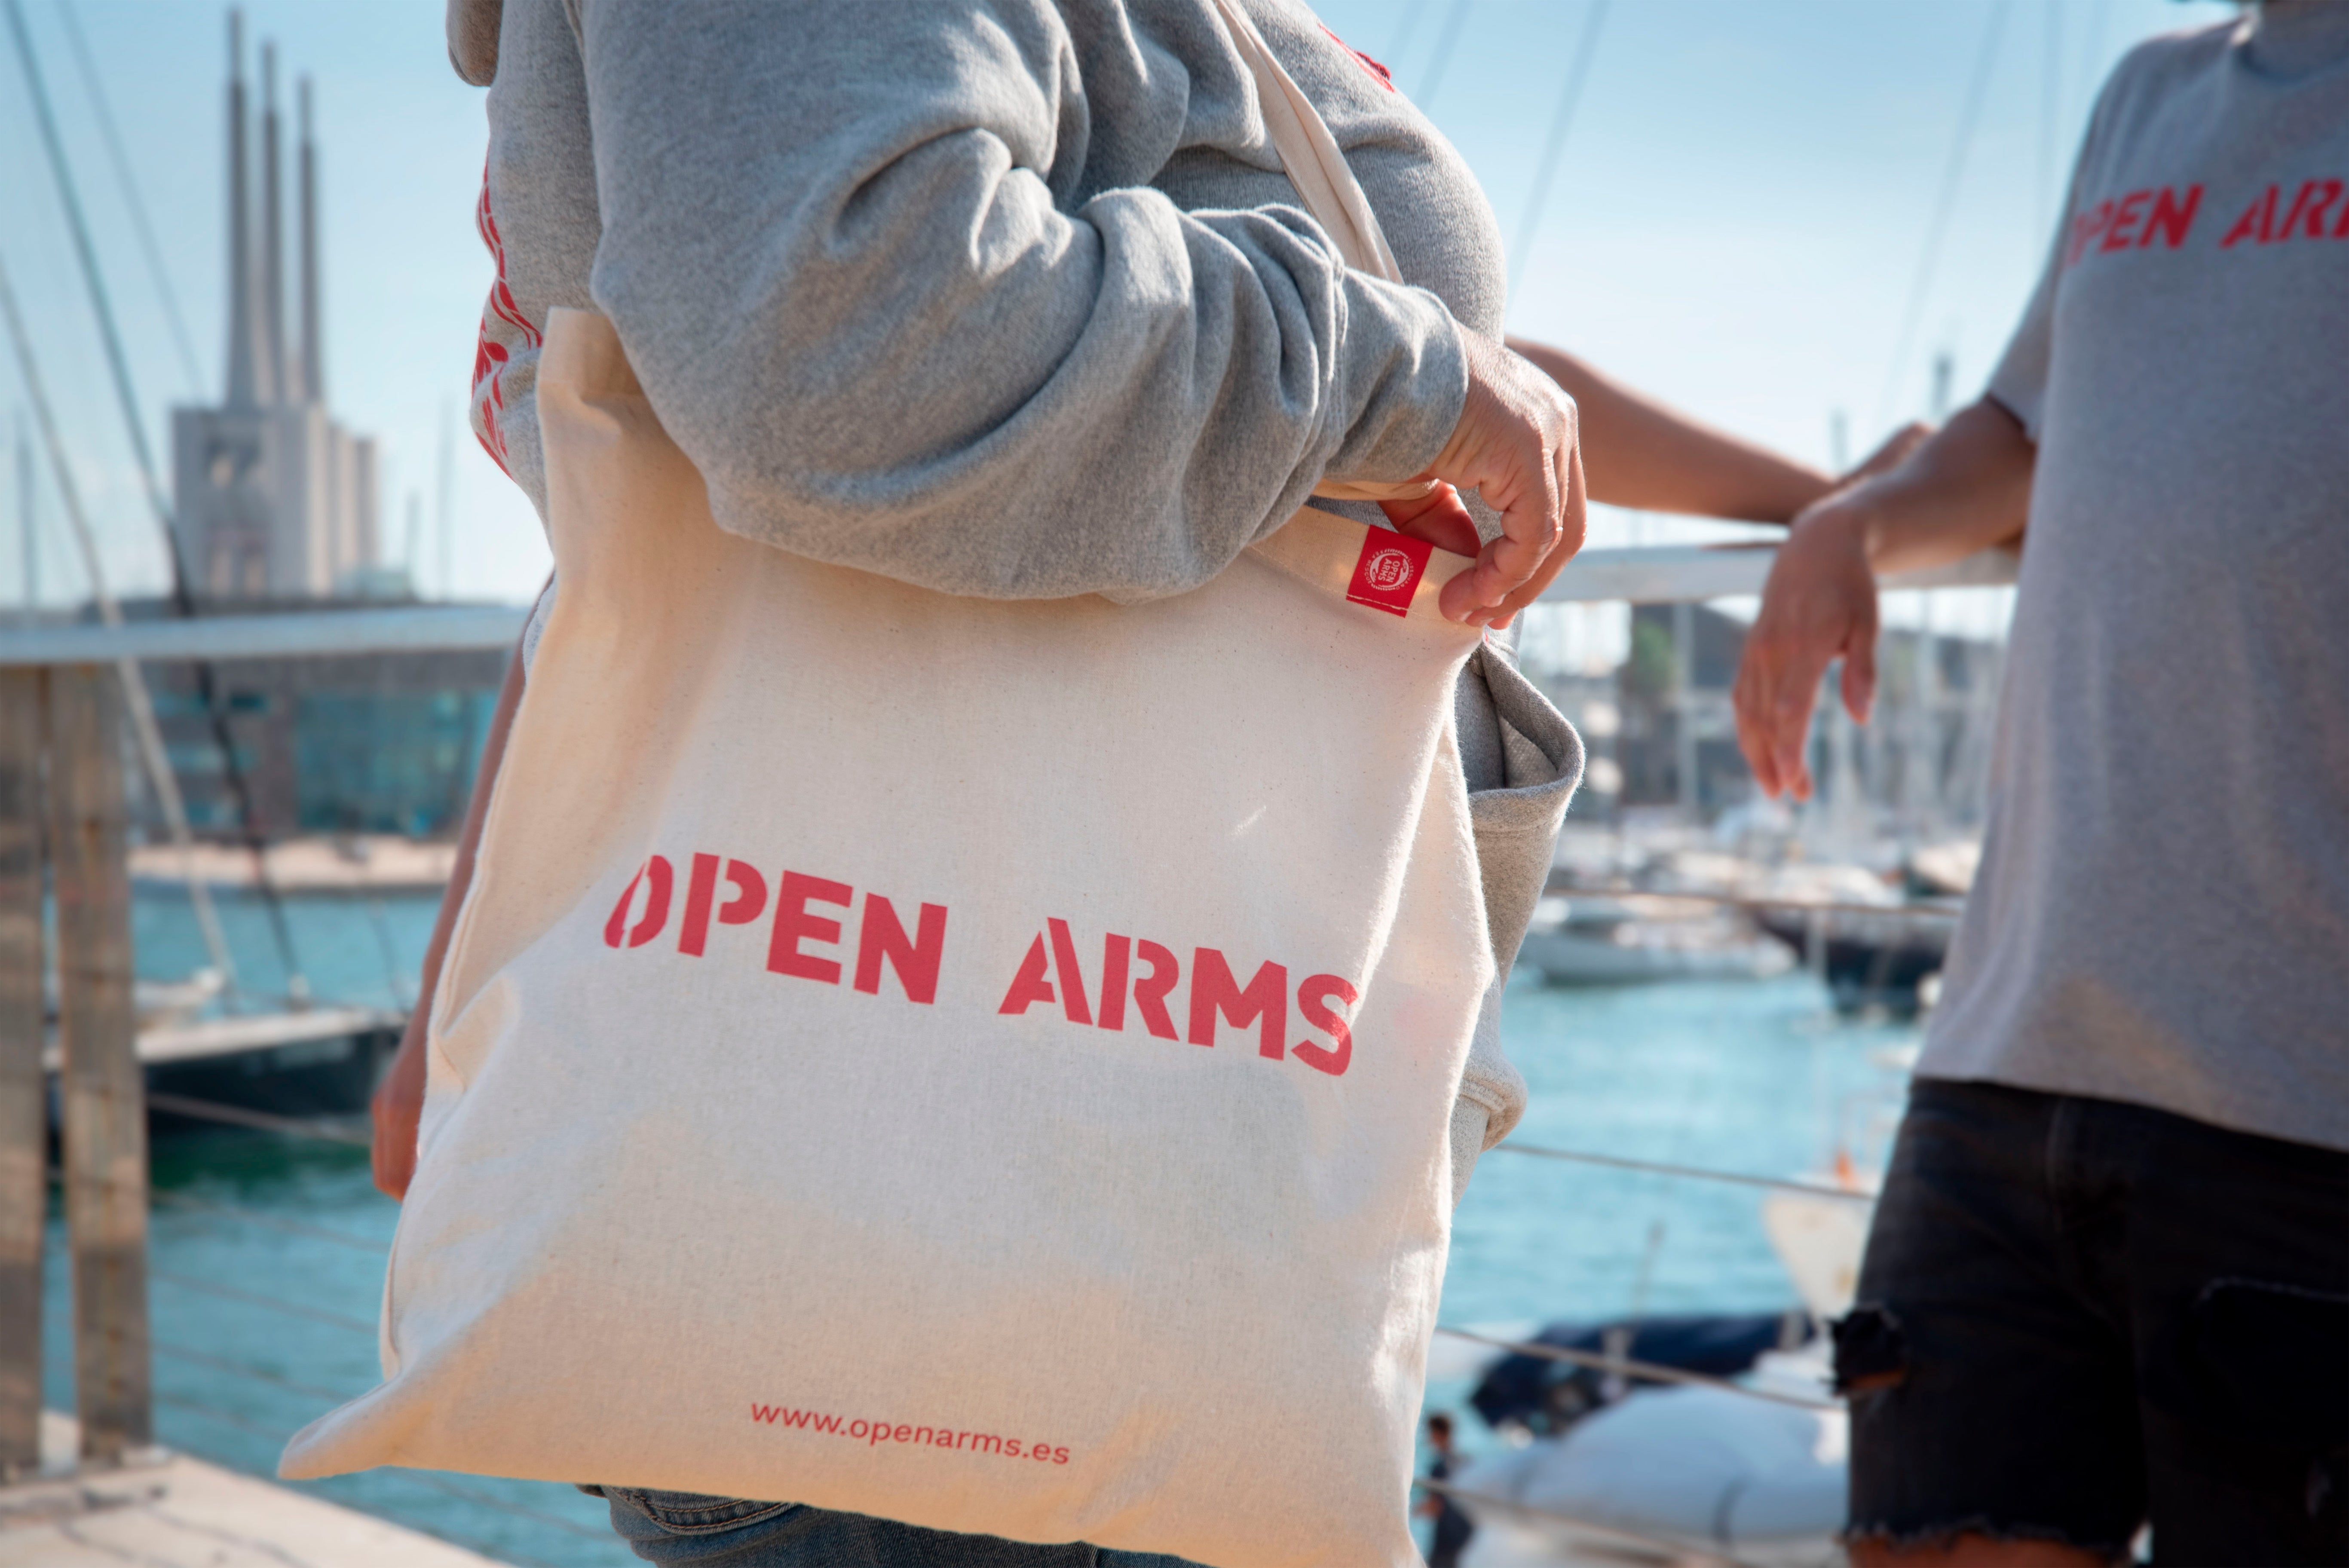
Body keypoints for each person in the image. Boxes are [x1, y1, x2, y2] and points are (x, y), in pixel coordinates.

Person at [380, 1, 1914, 1559]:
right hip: (1002, 1225)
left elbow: (656, 543)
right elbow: (838, 334)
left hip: (1039, 1195)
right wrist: (1424, 388)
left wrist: (1831, 504)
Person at [1732, 5, 2349, 1564]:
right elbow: (2017, 424)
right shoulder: (2147, 94)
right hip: (2003, 1054)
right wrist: (1851, 522)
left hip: (2305, 1097)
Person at [1414, 1412, 1475, 1568]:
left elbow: (1436, 1506)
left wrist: (1412, 1510)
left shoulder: (1440, 1467)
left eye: (1431, 1432)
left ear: (1439, 1434)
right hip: (1468, 1536)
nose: (1429, 1438)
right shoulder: (1466, 1461)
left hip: (1447, 1538)